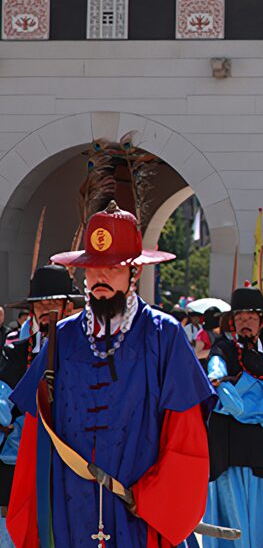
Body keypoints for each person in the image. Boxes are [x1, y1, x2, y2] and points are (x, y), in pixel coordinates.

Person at [8, 201, 215, 546]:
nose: (100, 277)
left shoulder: (163, 336)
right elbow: (34, 438)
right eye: (93, 268)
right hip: (69, 508)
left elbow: (185, 435)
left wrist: (154, 499)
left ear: (135, 273)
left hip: (137, 509)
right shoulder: (63, 338)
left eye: (113, 268)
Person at [203, 285, 263, 548]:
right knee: (230, 522)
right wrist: (261, 404)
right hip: (227, 451)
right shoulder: (222, 351)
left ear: (261, 322)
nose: (245, 323)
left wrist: (244, 390)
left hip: (259, 452)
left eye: (251, 318)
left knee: (260, 522)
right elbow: (218, 386)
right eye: (240, 318)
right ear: (232, 321)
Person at [0, 265, 84, 547]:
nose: (46, 310)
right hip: (18, 472)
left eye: (53, 303)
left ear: (69, 307)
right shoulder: (15, 353)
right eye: (40, 304)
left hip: (74, 472)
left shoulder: (88, 354)